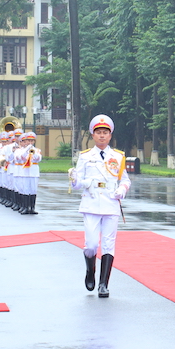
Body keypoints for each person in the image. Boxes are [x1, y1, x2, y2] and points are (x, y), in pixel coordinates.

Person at [69, 115, 131, 298]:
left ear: (110, 135)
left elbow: (125, 180)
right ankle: (90, 271)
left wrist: (122, 189)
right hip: (91, 203)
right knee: (91, 245)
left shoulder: (118, 156)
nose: (102, 136)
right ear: (93, 135)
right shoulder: (85, 156)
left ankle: (104, 284)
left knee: (108, 244)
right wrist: (75, 180)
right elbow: (78, 183)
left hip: (111, 203)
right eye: (98, 133)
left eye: (105, 132)